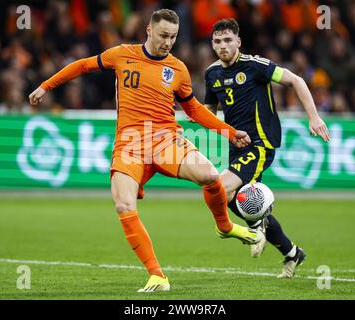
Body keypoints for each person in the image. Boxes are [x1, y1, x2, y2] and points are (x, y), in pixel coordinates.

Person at [29, 10, 263, 293]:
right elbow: (81, 66)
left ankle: (224, 227)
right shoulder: (121, 54)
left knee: (211, 176)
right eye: (163, 35)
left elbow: (193, 110)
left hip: (165, 139)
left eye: (173, 37)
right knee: (123, 205)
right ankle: (157, 276)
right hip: (129, 144)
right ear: (148, 31)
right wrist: (45, 86)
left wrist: (228, 131)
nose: (168, 42)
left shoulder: (178, 69)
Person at [204, 18, 330, 278]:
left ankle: (252, 227)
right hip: (236, 145)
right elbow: (209, 112)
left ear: (238, 41)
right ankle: (292, 251)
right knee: (233, 198)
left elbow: (296, 80)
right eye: (217, 41)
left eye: (228, 40)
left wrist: (314, 117)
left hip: (261, 143)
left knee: (220, 188)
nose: (223, 46)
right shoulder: (211, 74)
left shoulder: (255, 66)